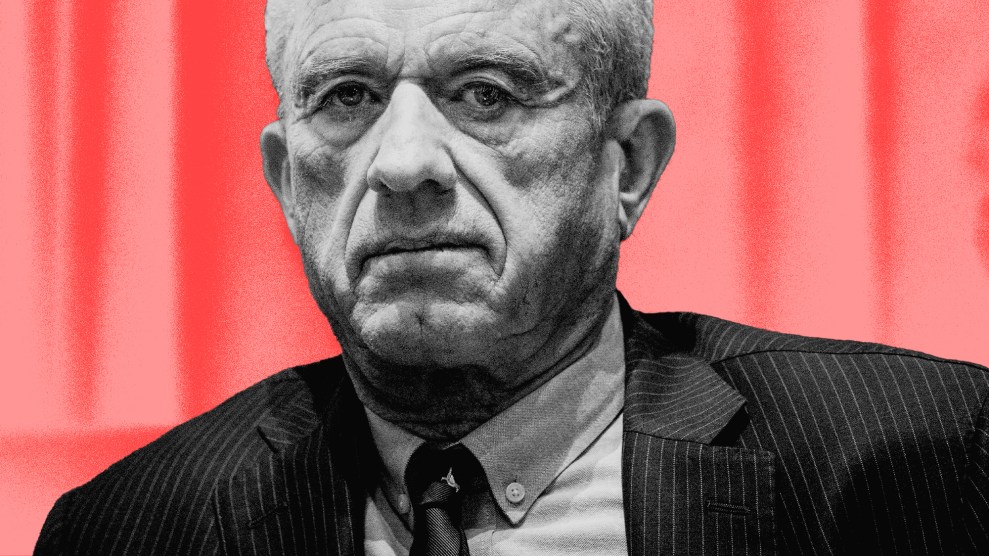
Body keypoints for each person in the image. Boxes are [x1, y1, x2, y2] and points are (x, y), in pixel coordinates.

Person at [35, 0, 989, 554]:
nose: (402, 163)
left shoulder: (931, 458)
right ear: (287, 181)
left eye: (485, 93)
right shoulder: (125, 528)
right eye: (348, 98)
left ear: (628, 166)